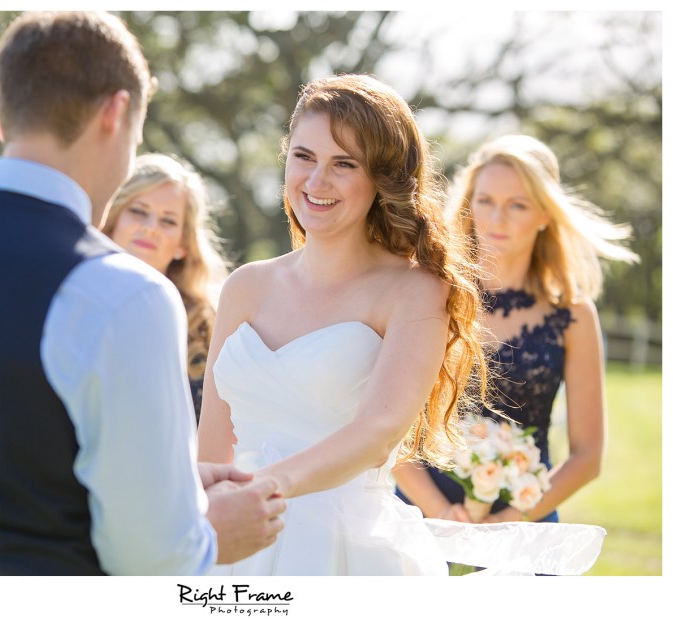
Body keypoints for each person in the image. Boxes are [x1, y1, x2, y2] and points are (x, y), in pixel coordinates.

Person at [0, 11, 284, 576]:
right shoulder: (124, 292)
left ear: (5, 118)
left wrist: (166, 484)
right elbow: (150, 557)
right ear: (115, 112)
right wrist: (209, 534)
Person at [197, 75, 606, 576]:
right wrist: (202, 520)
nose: (316, 181)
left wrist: (261, 487)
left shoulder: (416, 290)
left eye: (344, 164)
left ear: (382, 179)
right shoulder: (244, 285)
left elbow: (378, 432)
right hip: (232, 541)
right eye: (304, 156)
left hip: (344, 552)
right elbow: (211, 446)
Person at [393, 134, 639, 526]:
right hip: (420, 518)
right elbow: (388, 424)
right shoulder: (430, 294)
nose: (496, 219)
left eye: (517, 205)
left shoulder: (574, 315)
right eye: (486, 200)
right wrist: (442, 514)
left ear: (545, 215)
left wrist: (511, 520)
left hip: (525, 525)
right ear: (470, 203)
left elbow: (587, 456)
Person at [102, 153, 229, 423]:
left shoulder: (211, 324)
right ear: (113, 218)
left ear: (183, 244)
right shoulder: (75, 300)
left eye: (168, 221)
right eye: (138, 211)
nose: (150, 229)